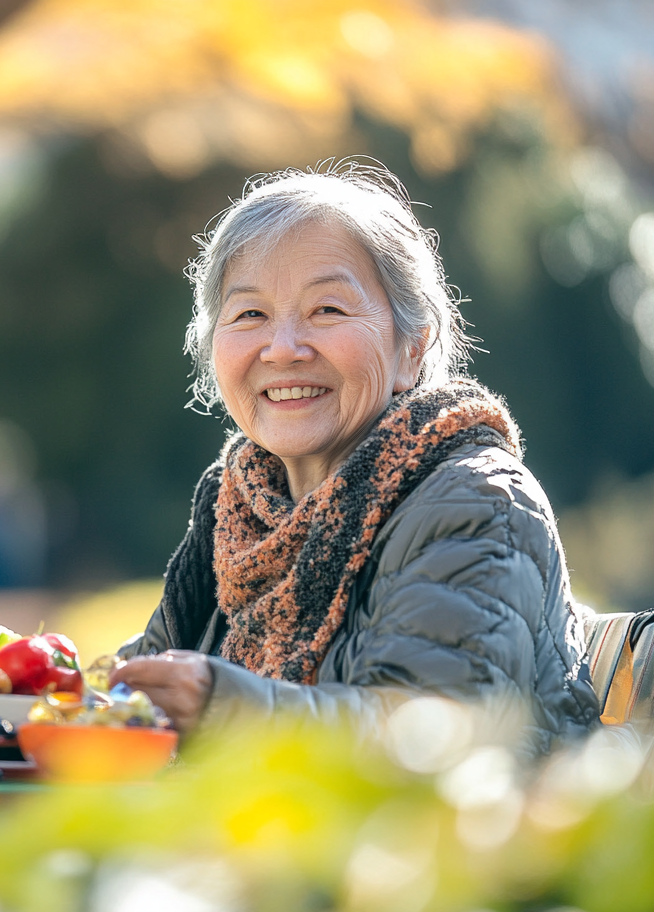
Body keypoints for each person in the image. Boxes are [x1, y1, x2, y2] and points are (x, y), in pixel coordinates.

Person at [112, 163, 601, 755]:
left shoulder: (477, 503)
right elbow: (125, 698)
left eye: (328, 311)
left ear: (411, 351)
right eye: (250, 315)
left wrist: (223, 707)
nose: (284, 347)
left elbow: (439, 744)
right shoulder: (238, 514)